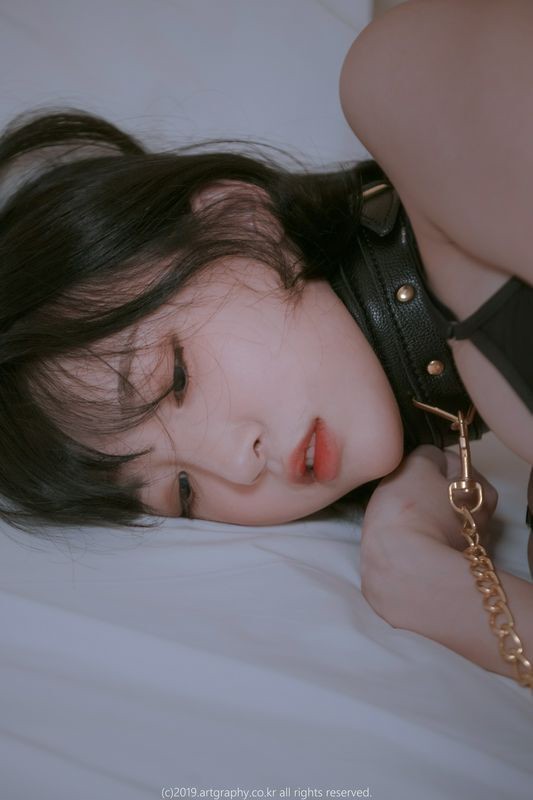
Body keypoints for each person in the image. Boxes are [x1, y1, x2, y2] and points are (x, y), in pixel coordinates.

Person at [0, 0, 530, 684]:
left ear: (238, 218)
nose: (236, 467)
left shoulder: (403, 75)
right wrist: (421, 580)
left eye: (175, 377)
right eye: (182, 492)